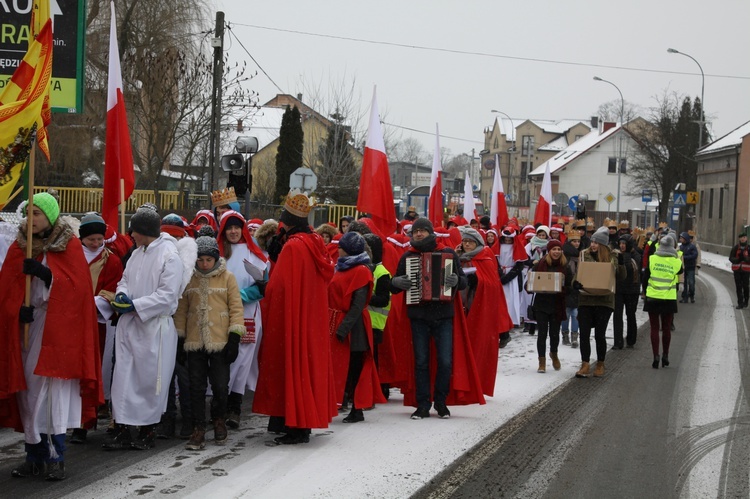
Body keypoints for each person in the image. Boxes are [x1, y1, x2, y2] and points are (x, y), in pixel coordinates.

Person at [0, 193, 103, 481]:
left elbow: (77, 292)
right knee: (28, 394)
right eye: (28, 213)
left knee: (53, 395)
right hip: (27, 329)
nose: (30, 219)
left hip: (58, 330)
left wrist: (46, 276)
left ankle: (56, 456)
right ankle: (34, 455)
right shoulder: (20, 246)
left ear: (50, 216)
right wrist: (17, 311)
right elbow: (6, 291)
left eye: (37, 213)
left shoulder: (68, 246)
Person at [253, 190, 337, 444]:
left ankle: (296, 426)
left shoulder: (294, 247)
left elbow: (278, 287)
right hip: (310, 319)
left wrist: (263, 286)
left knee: (289, 364)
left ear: (287, 221)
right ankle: (299, 420)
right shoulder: (314, 243)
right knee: (304, 367)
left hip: (291, 318)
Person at [103, 205, 185, 451]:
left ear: (144, 230)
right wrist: (122, 295)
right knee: (124, 378)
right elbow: (125, 280)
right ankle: (123, 429)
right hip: (130, 327)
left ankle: (148, 430)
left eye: (134, 231)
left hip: (154, 328)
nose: (131, 235)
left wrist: (136, 306)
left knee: (149, 380)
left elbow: (168, 296)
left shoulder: (169, 255)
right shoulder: (138, 253)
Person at [390, 218, 467, 419]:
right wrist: (397, 282)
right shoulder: (408, 257)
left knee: (445, 362)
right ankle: (423, 404)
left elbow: (464, 281)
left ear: (430, 233)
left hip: (443, 316)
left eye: (423, 230)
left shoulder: (448, 254)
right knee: (421, 362)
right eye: (416, 231)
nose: (419, 234)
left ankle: (441, 402)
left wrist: (456, 280)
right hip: (419, 316)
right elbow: (394, 286)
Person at [174, 236, 245, 450]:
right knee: (196, 386)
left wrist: (234, 337)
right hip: (195, 341)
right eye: (201, 260)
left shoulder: (227, 278)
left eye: (208, 260)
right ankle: (198, 427)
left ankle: (219, 420)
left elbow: (236, 308)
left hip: (220, 341)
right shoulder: (189, 279)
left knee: (220, 385)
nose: (204, 264)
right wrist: (180, 338)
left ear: (216, 259)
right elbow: (181, 310)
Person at [71, 213, 124, 444]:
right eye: (91, 239)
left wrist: (89, 303)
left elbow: (112, 290)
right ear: (82, 238)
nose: (95, 243)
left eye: (99, 239)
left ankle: (86, 421)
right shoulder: (70, 256)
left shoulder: (111, 261)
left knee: (92, 370)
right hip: (69, 322)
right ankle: (70, 418)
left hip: (95, 324)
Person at [216, 210, 269, 429]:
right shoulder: (218, 254)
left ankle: (234, 408)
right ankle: (219, 405)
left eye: (237, 227)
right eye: (229, 227)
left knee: (242, 359)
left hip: (247, 314)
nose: (233, 231)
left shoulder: (254, 254)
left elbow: (263, 286)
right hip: (219, 313)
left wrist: (240, 296)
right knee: (222, 359)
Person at [329, 232, 386, 423]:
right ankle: (343, 403)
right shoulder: (341, 267)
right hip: (339, 321)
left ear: (348, 249)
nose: (337, 249)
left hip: (355, 327)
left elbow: (357, 305)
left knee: (355, 367)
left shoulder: (361, 271)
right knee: (342, 366)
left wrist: (343, 329)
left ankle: (357, 408)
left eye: (340, 247)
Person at [457, 227, 513, 394]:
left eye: (470, 241)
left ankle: (476, 382)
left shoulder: (485, 258)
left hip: (478, 309)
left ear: (477, 243)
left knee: (477, 347)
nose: (467, 244)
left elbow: (492, 285)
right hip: (461, 307)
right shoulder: (457, 258)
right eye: (465, 241)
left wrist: (477, 281)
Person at [572, 226, 625, 378]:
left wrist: (621, 265)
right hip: (586, 299)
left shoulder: (612, 256)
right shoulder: (584, 255)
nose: (593, 245)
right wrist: (575, 283)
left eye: (596, 242)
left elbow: (620, 277)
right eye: (592, 241)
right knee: (584, 333)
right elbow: (578, 275)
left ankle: (600, 363)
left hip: (604, 301)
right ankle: (585, 364)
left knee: (600, 335)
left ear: (603, 245)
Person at [531, 239, 571, 373]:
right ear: (549, 251)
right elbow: (529, 284)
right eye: (554, 249)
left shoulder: (565, 266)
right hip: (542, 304)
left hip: (557, 304)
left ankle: (554, 354)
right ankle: (541, 361)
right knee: (542, 334)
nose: (556, 252)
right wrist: (532, 285)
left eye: (559, 249)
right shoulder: (540, 265)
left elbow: (570, 286)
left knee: (554, 334)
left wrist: (567, 288)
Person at [643, 234, 683, 368]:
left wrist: (645, 291)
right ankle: (665, 355)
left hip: (653, 297)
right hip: (669, 298)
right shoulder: (676, 261)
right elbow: (680, 271)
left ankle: (656, 356)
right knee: (666, 328)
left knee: (654, 328)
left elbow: (646, 275)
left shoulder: (652, 259)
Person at [613, 234, 641, 349]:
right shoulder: (617, 254)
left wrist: (626, 256)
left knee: (630, 315)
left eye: (624, 244)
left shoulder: (636, 256)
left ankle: (631, 340)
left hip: (632, 290)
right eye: (620, 244)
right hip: (619, 289)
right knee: (617, 315)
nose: (622, 246)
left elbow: (629, 269)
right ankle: (618, 342)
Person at [561, 231, 581, 348]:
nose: (577, 243)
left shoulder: (581, 254)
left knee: (575, 313)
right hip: (567, 289)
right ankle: (565, 335)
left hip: (577, 288)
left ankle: (574, 336)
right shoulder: (565, 256)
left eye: (578, 241)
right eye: (574, 241)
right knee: (567, 313)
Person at [729, 232, 750, 309]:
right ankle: (740, 303)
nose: (742, 239)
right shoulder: (735, 248)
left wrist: (746, 259)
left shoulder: (749, 248)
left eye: (744, 237)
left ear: (746, 238)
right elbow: (731, 258)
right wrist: (738, 259)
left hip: (746, 270)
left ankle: (746, 301)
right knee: (738, 287)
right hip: (737, 270)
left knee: (746, 286)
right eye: (741, 237)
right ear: (739, 239)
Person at [677, 232, 697, 304]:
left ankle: (691, 295)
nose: (680, 239)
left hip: (690, 267)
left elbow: (694, 255)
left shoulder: (692, 247)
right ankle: (684, 297)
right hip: (683, 267)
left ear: (685, 239)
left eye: (681, 238)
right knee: (684, 282)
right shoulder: (680, 247)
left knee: (691, 283)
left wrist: (684, 258)